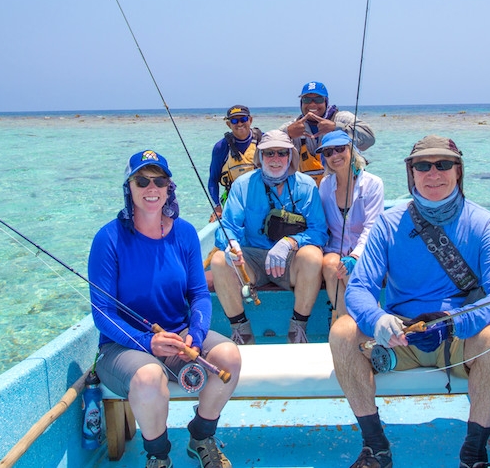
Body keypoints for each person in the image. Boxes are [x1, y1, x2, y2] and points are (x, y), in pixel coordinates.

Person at [329, 136, 490, 468]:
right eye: (423, 166)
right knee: (343, 330)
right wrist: (377, 321)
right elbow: (358, 290)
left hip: (458, 335)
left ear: (458, 171)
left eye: (443, 164)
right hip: (400, 336)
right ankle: (376, 447)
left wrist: (455, 321)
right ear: (411, 173)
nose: (433, 174)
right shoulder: (389, 224)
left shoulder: (484, 224)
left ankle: (473, 454)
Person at [88, 150, 241, 468]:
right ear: (128, 187)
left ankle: (201, 435)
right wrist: (146, 343)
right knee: (147, 378)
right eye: (141, 181)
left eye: (159, 180)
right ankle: (158, 456)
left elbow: (199, 294)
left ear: (169, 187)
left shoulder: (184, 233)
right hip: (121, 347)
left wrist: (195, 337)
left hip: (178, 335)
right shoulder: (108, 239)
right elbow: (102, 312)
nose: (151, 188)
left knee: (230, 356)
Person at [210, 129, 328, 344]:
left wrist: (290, 242)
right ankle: (242, 331)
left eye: (282, 153)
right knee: (219, 260)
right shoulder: (242, 186)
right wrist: (231, 245)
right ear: (260, 157)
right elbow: (227, 226)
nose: (275, 159)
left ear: (290, 156)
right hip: (252, 261)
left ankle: (298, 328)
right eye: (269, 153)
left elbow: (319, 231)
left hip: (291, 262)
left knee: (313, 256)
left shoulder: (306, 186)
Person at [316, 129, 385, 325]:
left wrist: (355, 256)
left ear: (351, 151)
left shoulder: (373, 184)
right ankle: (345, 323)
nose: (335, 156)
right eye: (328, 152)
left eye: (339, 149)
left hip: (366, 252)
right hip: (335, 250)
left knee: (349, 270)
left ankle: (369, 320)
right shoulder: (325, 184)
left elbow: (372, 226)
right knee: (330, 265)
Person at [281, 81, 375, 185]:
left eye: (318, 99)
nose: (312, 104)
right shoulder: (293, 127)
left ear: (326, 101)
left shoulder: (343, 118)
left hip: (346, 189)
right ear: (301, 103)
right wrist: (287, 133)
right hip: (309, 193)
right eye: (307, 99)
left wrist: (336, 128)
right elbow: (267, 146)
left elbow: (369, 139)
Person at [206, 105, 262, 218]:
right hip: (234, 204)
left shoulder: (263, 141)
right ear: (228, 124)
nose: (240, 124)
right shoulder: (221, 147)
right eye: (234, 120)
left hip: (261, 201)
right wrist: (217, 207)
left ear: (250, 120)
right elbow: (213, 180)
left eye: (243, 119)